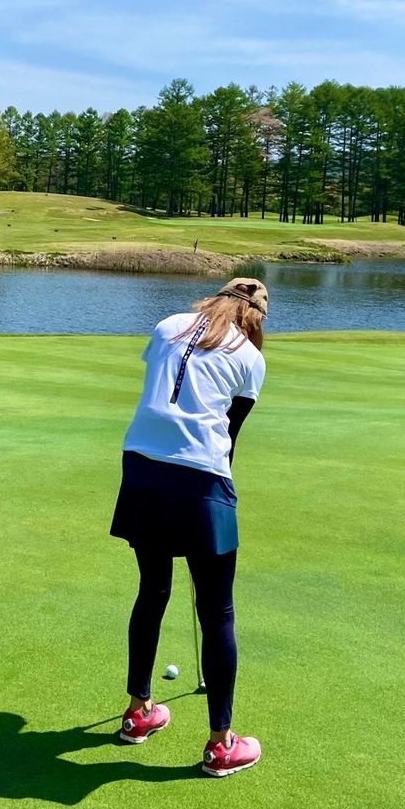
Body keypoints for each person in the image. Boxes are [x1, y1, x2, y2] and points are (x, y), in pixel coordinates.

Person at [110, 276, 268, 777]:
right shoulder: (251, 356)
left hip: (140, 466)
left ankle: (138, 715)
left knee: (153, 589)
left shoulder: (168, 325)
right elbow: (230, 434)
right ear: (256, 314)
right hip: (200, 479)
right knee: (217, 610)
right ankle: (221, 744)